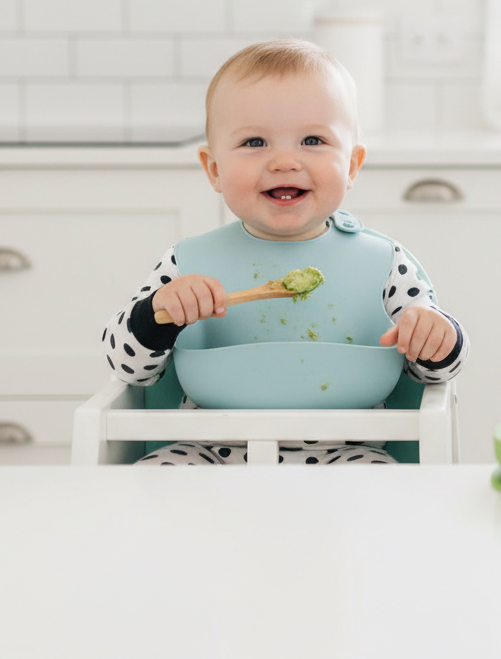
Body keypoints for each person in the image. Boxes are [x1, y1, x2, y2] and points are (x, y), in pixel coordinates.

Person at [102, 39, 467, 465]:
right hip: (206, 453)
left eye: (313, 140)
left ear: (351, 166)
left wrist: (439, 337)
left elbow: (435, 373)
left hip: (347, 453)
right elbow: (125, 366)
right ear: (214, 169)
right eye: (255, 142)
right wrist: (158, 314)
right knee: (146, 487)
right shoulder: (187, 264)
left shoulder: (384, 263)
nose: (284, 161)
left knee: (390, 495)